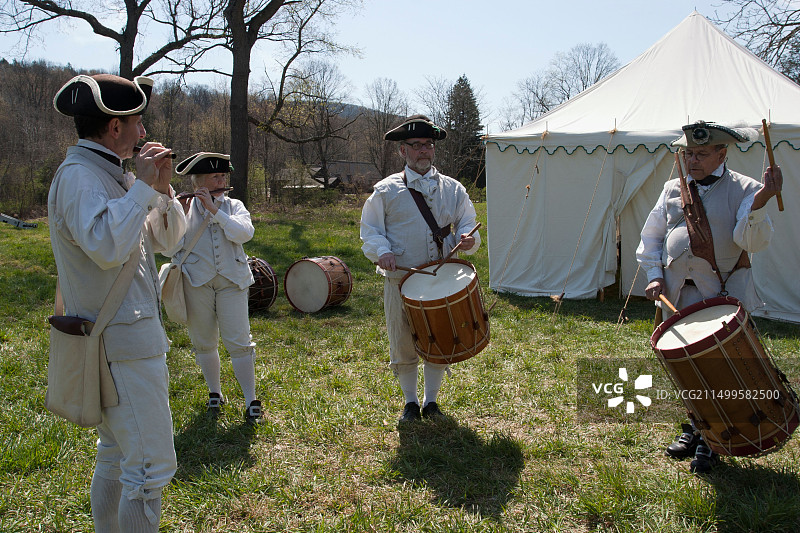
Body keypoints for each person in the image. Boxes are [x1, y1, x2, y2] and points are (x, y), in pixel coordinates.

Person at [48, 74, 186, 532]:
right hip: (120, 346)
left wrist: (161, 191)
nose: (144, 133)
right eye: (137, 123)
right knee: (150, 470)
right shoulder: (80, 178)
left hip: (128, 341)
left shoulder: (116, 176)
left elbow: (167, 241)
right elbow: (107, 246)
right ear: (114, 128)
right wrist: (143, 190)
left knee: (116, 455)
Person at [636, 120, 783, 473]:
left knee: (719, 372)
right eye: (688, 153)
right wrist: (655, 276)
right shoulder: (672, 188)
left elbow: (753, 242)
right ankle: (693, 428)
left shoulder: (746, 189)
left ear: (723, 153)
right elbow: (653, 236)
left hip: (721, 297)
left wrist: (761, 199)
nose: (693, 160)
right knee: (685, 368)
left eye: (702, 153)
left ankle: (714, 441)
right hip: (675, 295)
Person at [360, 114, 481, 424]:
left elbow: (468, 219)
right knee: (402, 340)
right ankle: (410, 403)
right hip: (400, 278)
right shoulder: (386, 191)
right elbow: (370, 230)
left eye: (428, 145)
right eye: (416, 146)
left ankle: (431, 402)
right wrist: (382, 252)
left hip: (442, 277)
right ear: (403, 151)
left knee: (439, 337)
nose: (424, 151)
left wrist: (469, 237)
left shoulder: (453, 189)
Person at [167, 152, 262, 423]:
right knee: (204, 341)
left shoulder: (234, 206)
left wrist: (215, 211)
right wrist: (178, 215)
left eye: (223, 175)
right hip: (197, 281)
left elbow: (244, 233)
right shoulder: (182, 208)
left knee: (240, 342)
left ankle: (250, 399)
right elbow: (169, 248)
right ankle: (214, 392)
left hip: (232, 281)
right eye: (215, 176)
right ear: (200, 182)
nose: (221, 180)